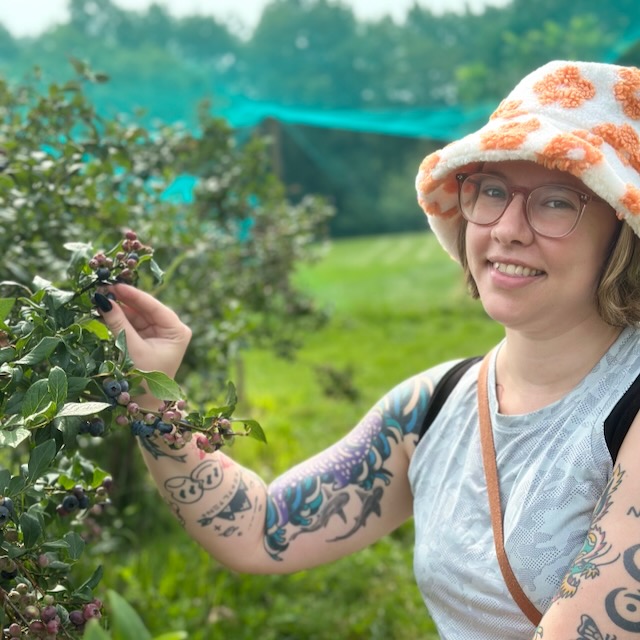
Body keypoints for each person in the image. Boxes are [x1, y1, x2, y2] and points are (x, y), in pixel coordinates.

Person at [99, 59, 640, 640]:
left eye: (556, 201)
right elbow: (263, 529)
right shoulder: (436, 404)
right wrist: (152, 400)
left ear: (622, 229)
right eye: (492, 190)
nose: (507, 227)